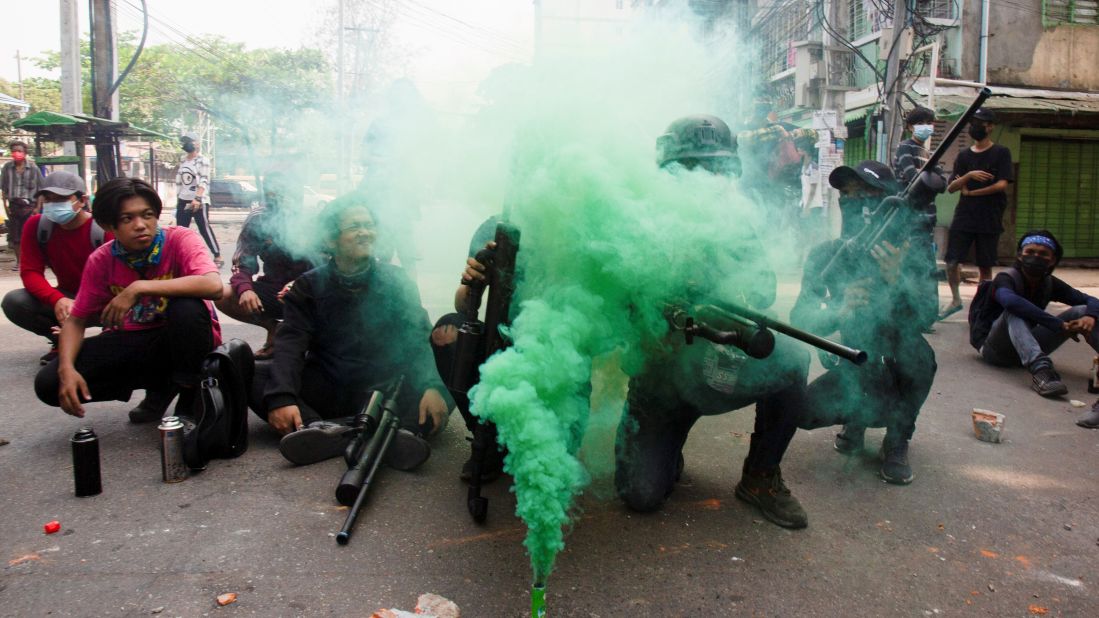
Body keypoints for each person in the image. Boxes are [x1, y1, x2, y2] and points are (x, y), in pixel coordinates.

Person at [614, 114, 811, 529]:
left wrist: (726, 299)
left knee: (793, 358)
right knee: (641, 495)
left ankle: (761, 478)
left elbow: (764, 289)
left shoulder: (731, 223)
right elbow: (616, 311)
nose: (707, 179)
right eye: (693, 168)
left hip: (715, 367)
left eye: (716, 169)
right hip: (660, 384)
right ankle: (666, 445)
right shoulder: (639, 225)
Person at [250, 192, 452, 467]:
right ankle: (327, 430)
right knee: (255, 376)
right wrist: (282, 398)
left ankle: (399, 431)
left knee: (451, 374)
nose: (365, 233)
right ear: (330, 240)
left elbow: (418, 337)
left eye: (369, 225)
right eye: (355, 227)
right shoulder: (309, 286)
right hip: (332, 389)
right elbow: (290, 345)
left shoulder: (396, 281)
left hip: (388, 390)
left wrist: (432, 385)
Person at [792, 160, 937, 485]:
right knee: (800, 411)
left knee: (919, 359)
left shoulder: (910, 254)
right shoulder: (826, 254)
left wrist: (896, 279)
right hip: (852, 359)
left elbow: (928, 315)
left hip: (900, 356)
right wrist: (838, 310)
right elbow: (801, 318)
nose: (853, 202)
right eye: (846, 194)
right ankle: (856, 421)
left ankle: (898, 436)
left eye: (865, 194)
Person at [34, 177, 223, 422]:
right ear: (107, 224)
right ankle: (162, 387)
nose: (141, 225)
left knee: (187, 307)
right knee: (49, 384)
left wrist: (139, 288)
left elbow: (213, 285)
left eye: (147, 215)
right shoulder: (101, 260)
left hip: (183, 340)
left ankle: (189, 396)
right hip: (133, 341)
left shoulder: (179, 239)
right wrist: (66, 368)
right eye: (127, 219)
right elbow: (76, 321)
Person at [974, 230, 1099, 404]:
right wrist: (1058, 324)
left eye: (1043, 254)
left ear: (1052, 260)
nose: (1035, 257)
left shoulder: (1049, 282)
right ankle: (1042, 373)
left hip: (1026, 344)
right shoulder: (1006, 278)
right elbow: (1010, 302)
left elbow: (1091, 300)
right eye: (1030, 252)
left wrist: (1090, 316)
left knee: (1082, 310)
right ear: (1020, 255)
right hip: (995, 349)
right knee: (1015, 310)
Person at [2, 171, 111, 364]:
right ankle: (60, 340)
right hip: (67, 298)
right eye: (49, 199)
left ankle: (108, 341)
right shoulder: (37, 226)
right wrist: (57, 299)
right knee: (14, 302)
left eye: (61, 199)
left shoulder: (103, 229)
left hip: (103, 301)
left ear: (82, 200)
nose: (54, 204)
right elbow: (30, 272)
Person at [217, 171, 315, 360]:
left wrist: (300, 284)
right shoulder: (259, 219)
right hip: (275, 292)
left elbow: (327, 266)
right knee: (222, 295)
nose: (283, 198)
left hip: (311, 292)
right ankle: (274, 329)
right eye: (274, 193)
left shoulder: (314, 219)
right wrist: (245, 289)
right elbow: (242, 262)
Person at [941, 109, 1012, 318]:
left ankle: (982, 305)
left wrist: (972, 192)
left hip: (990, 215)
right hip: (965, 215)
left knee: (985, 266)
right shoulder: (964, 156)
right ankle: (955, 300)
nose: (975, 127)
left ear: (990, 127)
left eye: (981, 123)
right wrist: (968, 176)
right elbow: (952, 187)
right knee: (952, 261)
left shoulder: (1001, 153)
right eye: (973, 123)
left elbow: (1001, 184)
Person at [892, 106, 941, 331]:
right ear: (911, 126)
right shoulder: (905, 148)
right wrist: (930, 180)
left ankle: (925, 317)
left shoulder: (929, 154)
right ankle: (912, 317)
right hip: (910, 220)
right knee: (913, 270)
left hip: (927, 219)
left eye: (930, 123)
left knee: (926, 270)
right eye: (922, 122)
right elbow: (914, 178)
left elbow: (942, 182)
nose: (927, 127)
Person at [174, 132, 222, 266]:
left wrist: (197, 198)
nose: (185, 144)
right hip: (183, 199)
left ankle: (217, 255)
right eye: (184, 142)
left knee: (204, 228)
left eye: (188, 141)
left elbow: (204, 180)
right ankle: (179, 257)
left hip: (199, 200)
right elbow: (181, 181)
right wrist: (178, 199)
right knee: (180, 229)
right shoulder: (183, 160)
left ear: (197, 144)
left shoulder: (203, 160)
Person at [1, 140, 42, 270]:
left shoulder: (33, 168)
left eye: (19, 151)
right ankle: (19, 262)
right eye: (14, 151)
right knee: (16, 236)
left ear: (25, 153)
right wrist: (6, 206)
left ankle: (30, 261)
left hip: (29, 206)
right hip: (14, 205)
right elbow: (4, 189)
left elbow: (41, 190)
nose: (16, 154)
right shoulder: (7, 167)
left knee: (30, 235)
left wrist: (37, 208)